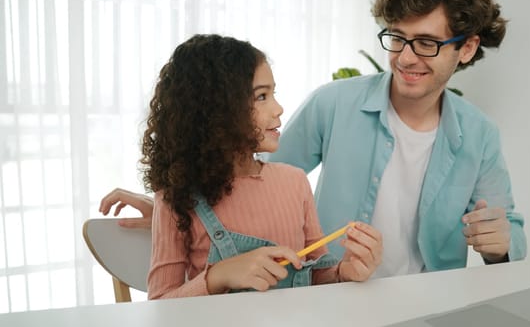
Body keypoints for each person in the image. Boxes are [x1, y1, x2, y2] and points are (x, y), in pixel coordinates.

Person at [101, 0, 526, 278]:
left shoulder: (480, 134)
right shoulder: (335, 103)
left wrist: (503, 245)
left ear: (466, 48)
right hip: (334, 293)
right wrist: (173, 211)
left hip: (428, 307)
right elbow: (250, 181)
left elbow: (509, 234)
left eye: (427, 43)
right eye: (397, 37)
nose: (406, 57)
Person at [131, 34, 382, 299]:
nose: (279, 108)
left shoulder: (294, 182)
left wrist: (345, 271)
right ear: (216, 110)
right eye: (261, 97)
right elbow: (160, 304)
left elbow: (318, 274)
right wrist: (218, 275)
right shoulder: (176, 197)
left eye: (273, 93)